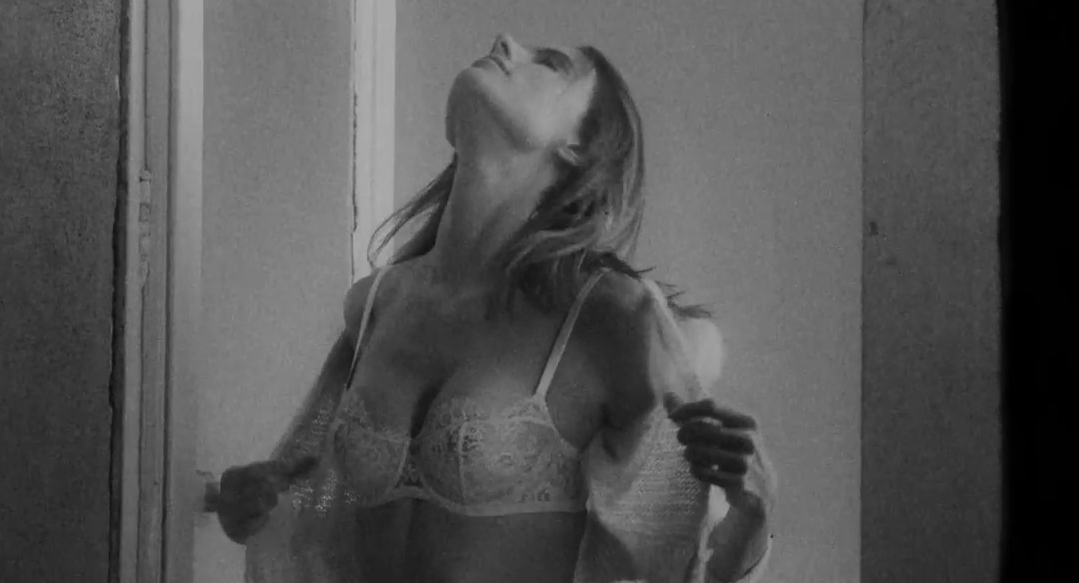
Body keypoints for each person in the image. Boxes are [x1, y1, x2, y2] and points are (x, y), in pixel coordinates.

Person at [206, 34, 776, 583]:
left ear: (578, 146)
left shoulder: (611, 318)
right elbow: (305, 490)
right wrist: (253, 502)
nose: (505, 41)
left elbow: (680, 558)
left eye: (548, 63)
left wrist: (749, 514)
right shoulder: (376, 304)